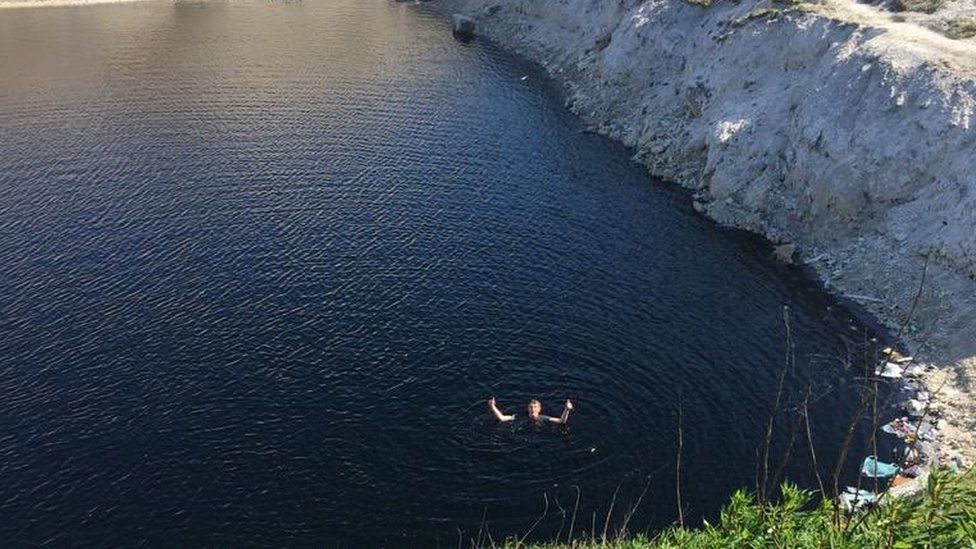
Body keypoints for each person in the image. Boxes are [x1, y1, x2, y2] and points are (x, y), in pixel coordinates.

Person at [488, 396, 573, 425]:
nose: (533, 409)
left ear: (539, 409)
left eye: (535, 407)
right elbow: (502, 418)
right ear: (528, 409)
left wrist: (567, 409)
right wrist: (493, 407)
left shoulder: (543, 418)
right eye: (531, 407)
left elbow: (561, 421)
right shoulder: (520, 417)